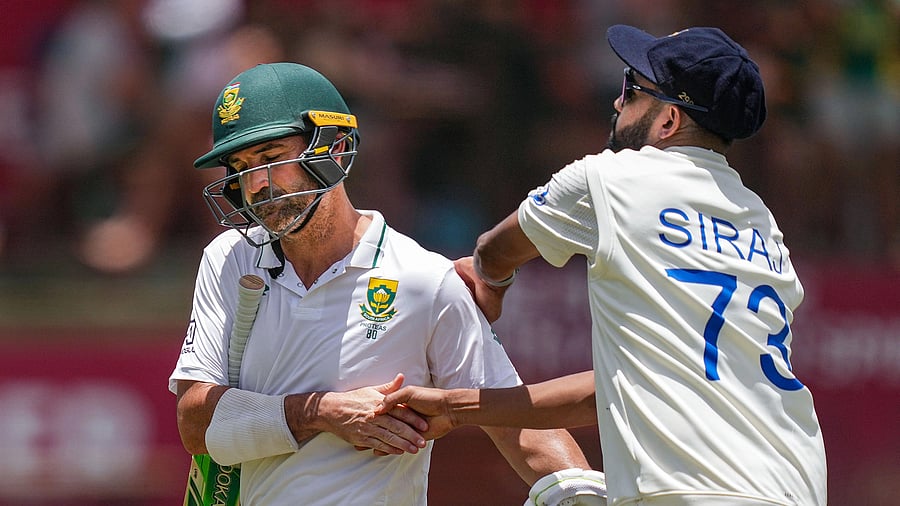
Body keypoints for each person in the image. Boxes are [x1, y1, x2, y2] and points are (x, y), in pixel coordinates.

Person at [380, 25, 828, 505]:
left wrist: (491, 280)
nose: (617, 103)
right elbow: (614, 390)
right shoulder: (764, 227)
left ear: (669, 119)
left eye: (631, 89)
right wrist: (457, 406)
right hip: (795, 483)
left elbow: (494, 251)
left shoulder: (610, 179)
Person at [168, 62, 602, 505]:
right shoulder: (229, 258)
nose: (256, 184)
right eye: (241, 167)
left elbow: (517, 424)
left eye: (272, 158)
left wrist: (581, 493)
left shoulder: (424, 281)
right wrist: (322, 412)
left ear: (332, 149)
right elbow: (195, 423)